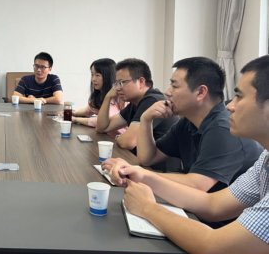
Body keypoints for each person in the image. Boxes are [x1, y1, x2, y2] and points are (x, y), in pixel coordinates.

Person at [108, 55, 269, 254]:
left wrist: (147, 207)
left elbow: (216, 248)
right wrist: (142, 175)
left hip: (234, 236)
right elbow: (213, 205)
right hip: (223, 228)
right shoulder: (265, 161)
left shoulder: (223, 128)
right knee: (148, 253)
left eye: (239, 97)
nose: (230, 106)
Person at [104, 57, 262, 194]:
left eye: (175, 86)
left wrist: (137, 173)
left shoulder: (223, 128)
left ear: (201, 92)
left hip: (226, 217)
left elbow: (198, 185)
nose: (167, 92)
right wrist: (146, 119)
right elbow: (147, 158)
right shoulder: (187, 123)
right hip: (197, 205)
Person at [95, 58, 179, 153]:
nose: (117, 88)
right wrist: (107, 97)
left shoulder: (152, 100)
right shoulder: (135, 103)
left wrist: (119, 137)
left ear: (141, 82)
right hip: (141, 159)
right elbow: (102, 128)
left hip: (158, 162)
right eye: (117, 83)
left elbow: (127, 142)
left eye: (121, 83)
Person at [72, 58, 127, 139]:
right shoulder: (100, 94)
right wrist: (72, 113)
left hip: (118, 141)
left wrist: (75, 119)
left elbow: (102, 122)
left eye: (97, 75)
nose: (93, 79)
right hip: (106, 137)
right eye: (92, 74)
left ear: (108, 76)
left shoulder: (116, 96)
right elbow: (88, 110)